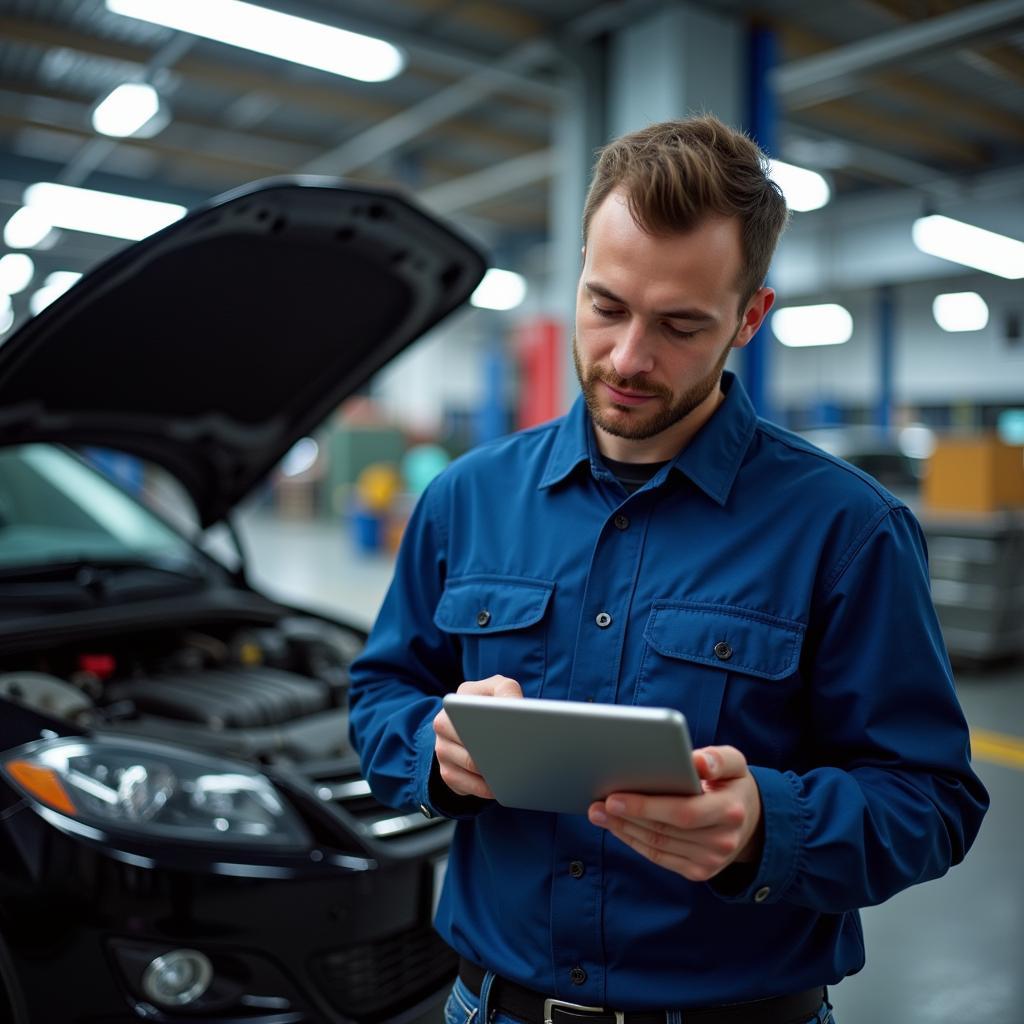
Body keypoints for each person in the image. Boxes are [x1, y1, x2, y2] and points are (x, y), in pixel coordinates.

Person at [348, 115, 988, 1024]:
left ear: (749, 317)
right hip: (491, 1006)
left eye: (681, 324)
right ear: (578, 273)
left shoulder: (846, 529)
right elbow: (382, 693)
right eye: (606, 305)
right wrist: (434, 750)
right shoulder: (467, 499)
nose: (628, 358)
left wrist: (768, 825)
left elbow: (933, 800)